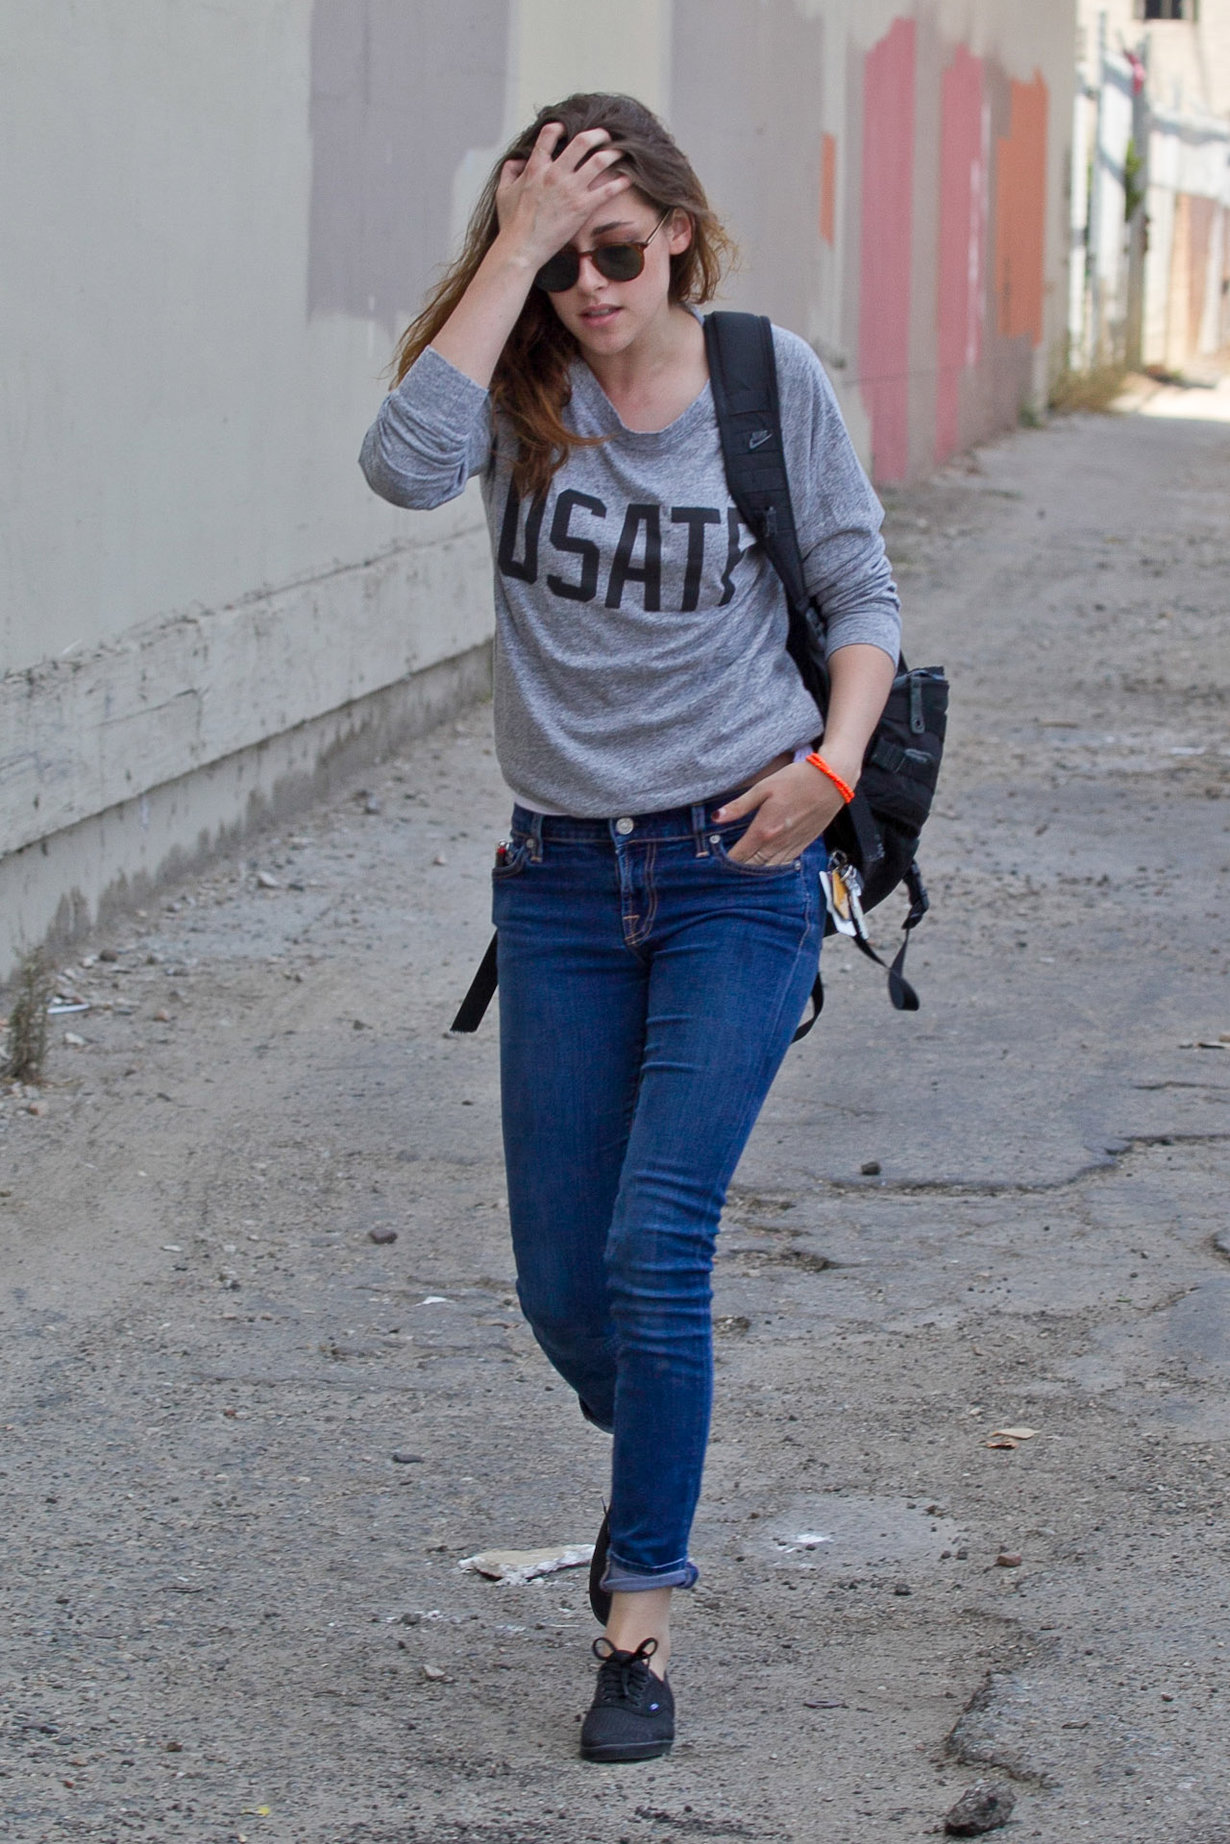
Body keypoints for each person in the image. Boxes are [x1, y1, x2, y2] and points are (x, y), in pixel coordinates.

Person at [360, 92, 900, 1763]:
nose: (592, 285)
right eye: (559, 255)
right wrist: (507, 249)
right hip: (563, 886)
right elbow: (396, 468)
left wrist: (830, 766)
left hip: (738, 864)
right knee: (561, 1285)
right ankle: (649, 1439)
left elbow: (864, 594)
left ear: (674, 231)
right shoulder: (511, 390)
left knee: (657, 1247)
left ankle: (636, 1630)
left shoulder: (762, 380)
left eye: (616, 248)